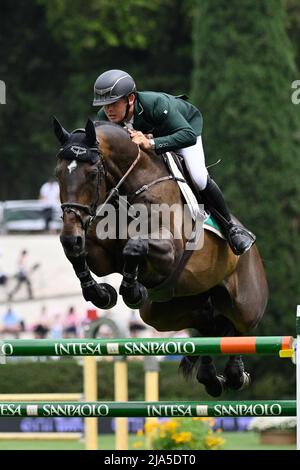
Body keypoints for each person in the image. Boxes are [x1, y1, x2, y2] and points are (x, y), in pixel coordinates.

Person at [92, 69, 256, 256]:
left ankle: (230, 228)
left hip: (184, 130)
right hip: (151, 137)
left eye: (113, 103)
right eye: (105, 105)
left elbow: (188, 135)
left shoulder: (155, 104)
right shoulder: (103, 118)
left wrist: (152, 142)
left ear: (130, 99)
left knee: (198, 176)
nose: (109, 110)